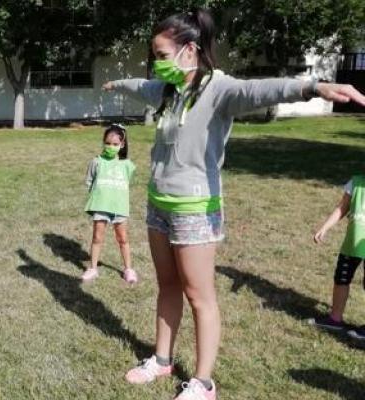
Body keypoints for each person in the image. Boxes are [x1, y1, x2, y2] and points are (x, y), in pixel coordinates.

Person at [102, 8, 365, 400]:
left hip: (195, 208)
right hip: (158, 204)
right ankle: (161, 359)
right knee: (167, 286)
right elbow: (140, 85)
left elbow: (261, 91)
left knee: (199, 294)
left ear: (189, 50)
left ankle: (204, 383)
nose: (155, 65)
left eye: (160, 55)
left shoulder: (220, 90)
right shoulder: (167, 90)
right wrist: (115, 83)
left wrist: (314, 87)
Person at [310, 175, 365, 341]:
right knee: (341, 278)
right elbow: (342, 208)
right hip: (351, 245)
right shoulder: (355, 183)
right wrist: (324, 228)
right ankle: (335, 319)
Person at [82, 124, 138, 284]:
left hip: (119, 207)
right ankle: (93, 268)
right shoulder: (96, 162)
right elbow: (89, 182)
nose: (111, 147)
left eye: (115, 144)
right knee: (97, 237)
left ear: (122, 145)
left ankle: (128, 269)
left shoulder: (127, 165)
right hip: (101, 206)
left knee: (123, 238)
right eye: (107, 143)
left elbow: (126, 182)